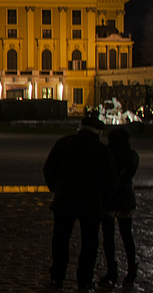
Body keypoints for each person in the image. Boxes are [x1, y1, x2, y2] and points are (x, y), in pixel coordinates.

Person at [43, 116, 117, 290]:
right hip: (90, 203)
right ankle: (84, 278)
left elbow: (49, 169)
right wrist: (103, 199)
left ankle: (57, 275)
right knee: (89, 243)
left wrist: (56, 188)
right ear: (98, 132)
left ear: (80, 127)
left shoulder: (64, 143)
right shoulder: (101, 150)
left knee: (60, 240)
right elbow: (111, 179)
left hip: (64, 200)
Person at [102, 127, 139, 285]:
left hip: (109, 198)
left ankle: (112, 270)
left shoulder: (107, 155)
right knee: (127, 236)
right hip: (125, 197)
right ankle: (131, 270)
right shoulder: (131, 156)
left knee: (108, 237)